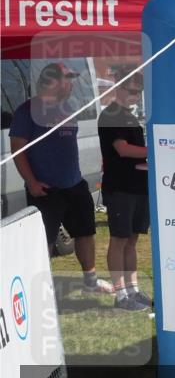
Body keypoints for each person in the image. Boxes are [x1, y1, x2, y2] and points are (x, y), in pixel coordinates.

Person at [8, 62, 111, 293]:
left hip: (74, 184)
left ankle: (90, 282)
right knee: (45, 240)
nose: (71, 85)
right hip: (45, 188)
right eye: (67, 79)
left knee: (85, 233)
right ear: (51, 82)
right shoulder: (27, 111)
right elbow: (17, 150)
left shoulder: (68, 108)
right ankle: (41, 289)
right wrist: (32, 182)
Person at [97, 75, 152, 311]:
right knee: (119, 240)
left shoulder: (128, 114)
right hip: (120, 188)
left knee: (132, 240)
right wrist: (156, 149)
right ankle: (121, 295)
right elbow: (122, 149)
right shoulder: (111, 114)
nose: (135, 95)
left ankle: (133, 289)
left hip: (138, 185)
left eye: (138, 91)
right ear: (118, 88)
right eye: (131, 90)